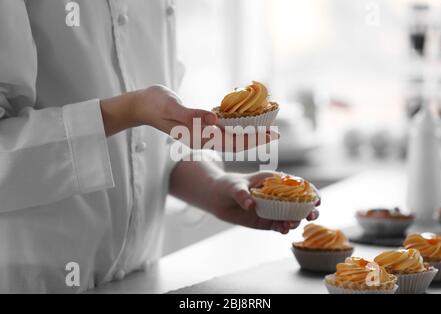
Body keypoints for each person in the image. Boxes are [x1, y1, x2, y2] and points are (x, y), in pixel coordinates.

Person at [0, 0, 319, 293]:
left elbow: (150, 140)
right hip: (32, 281)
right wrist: (128, 111)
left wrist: (212, 186)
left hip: (140, 279)